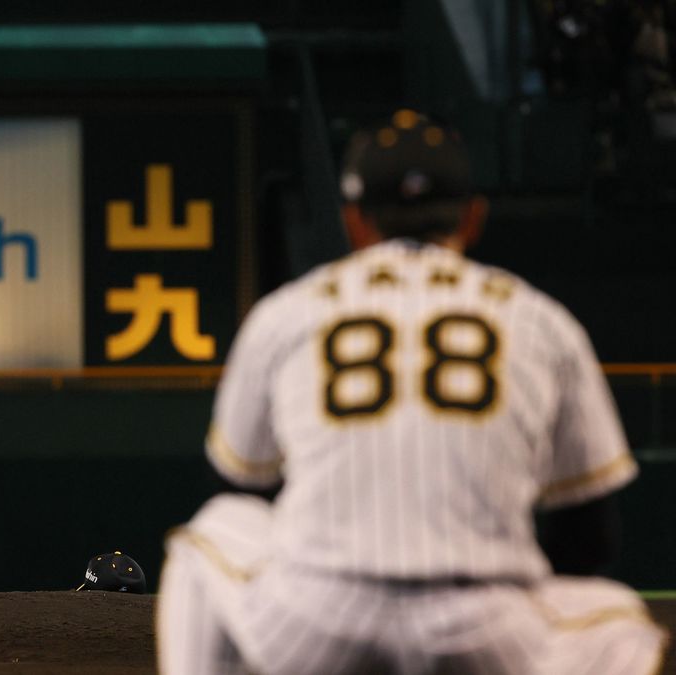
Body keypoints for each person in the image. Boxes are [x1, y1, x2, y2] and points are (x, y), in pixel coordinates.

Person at [156, 109, 667, 673]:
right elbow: (590, 536)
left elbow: (238, 481)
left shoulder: (289, 312)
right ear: (473, 218)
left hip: (318, 619)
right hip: (483, 626)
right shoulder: (541, 320)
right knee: (621, 625)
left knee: (206, 538)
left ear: (354, 222)